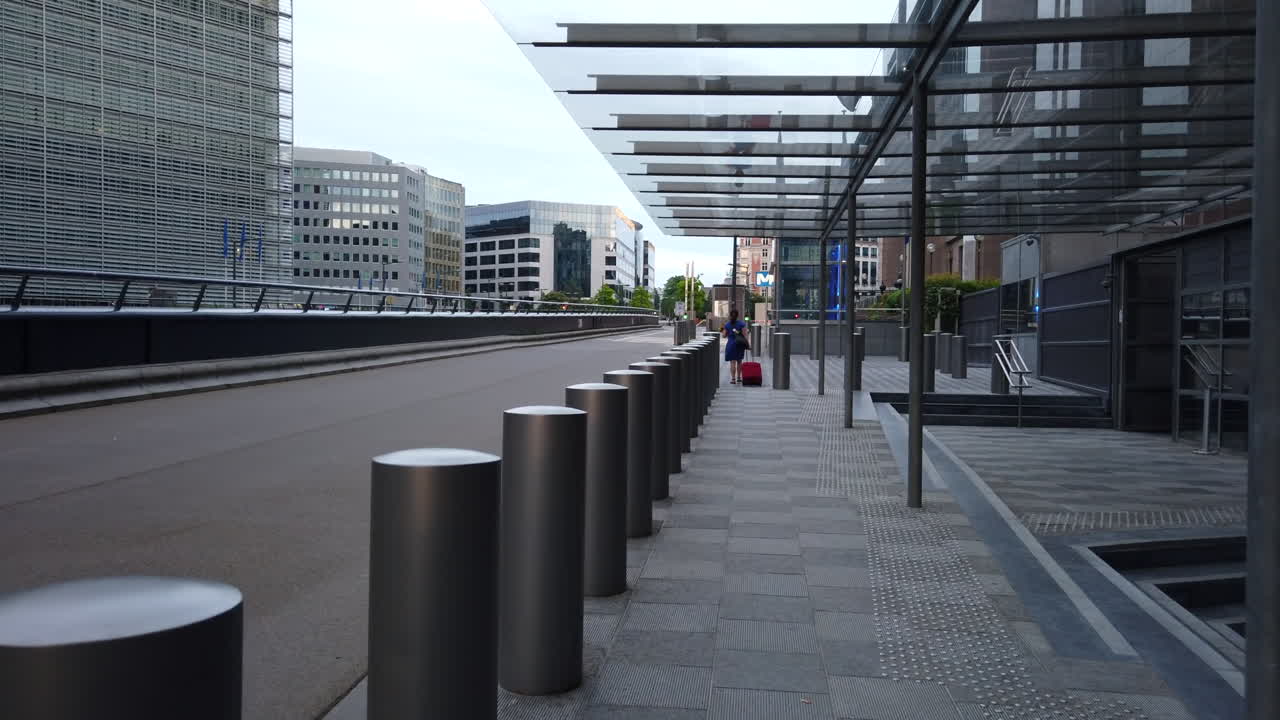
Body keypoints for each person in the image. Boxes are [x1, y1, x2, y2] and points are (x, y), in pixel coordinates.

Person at [721, 308, 748, 384]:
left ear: (730, 315)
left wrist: (723, 330)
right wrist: (747, 345)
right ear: (737, 315)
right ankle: (739, 377)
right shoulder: (742, 324)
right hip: (739, 344)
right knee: (739, 361)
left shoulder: (727, 324)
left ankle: (733, 379)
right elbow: (745, 335)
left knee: (732, 362)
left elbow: (723, 336)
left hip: (731, 345)